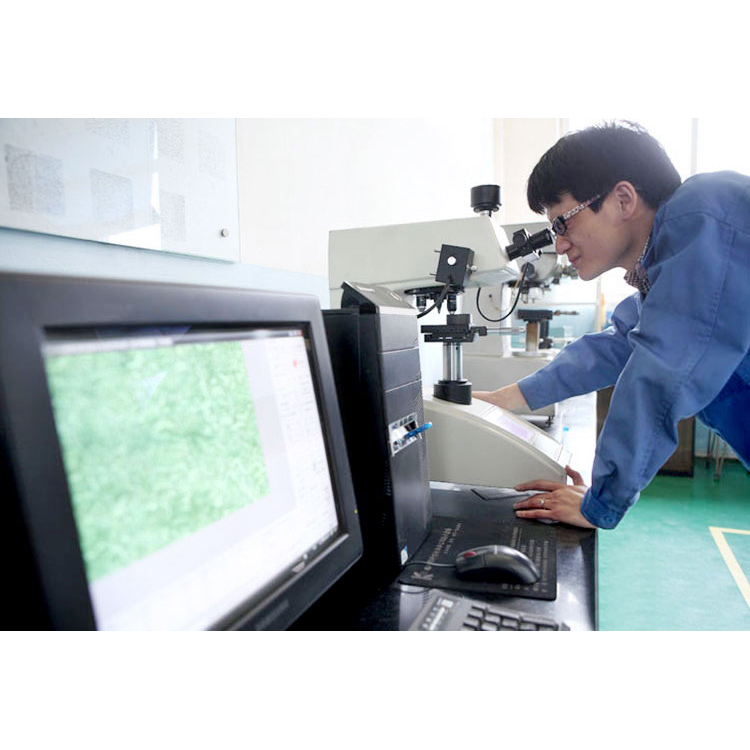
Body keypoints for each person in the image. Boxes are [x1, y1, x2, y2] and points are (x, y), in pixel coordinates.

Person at [474, 121, 750, 530]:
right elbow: (618, 344)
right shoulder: (668, 268)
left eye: (562, 223)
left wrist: (599, 504)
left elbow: (658, 373)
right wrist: (503, 399)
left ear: (623, 199)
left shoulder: (704, 213)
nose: (559, 244)